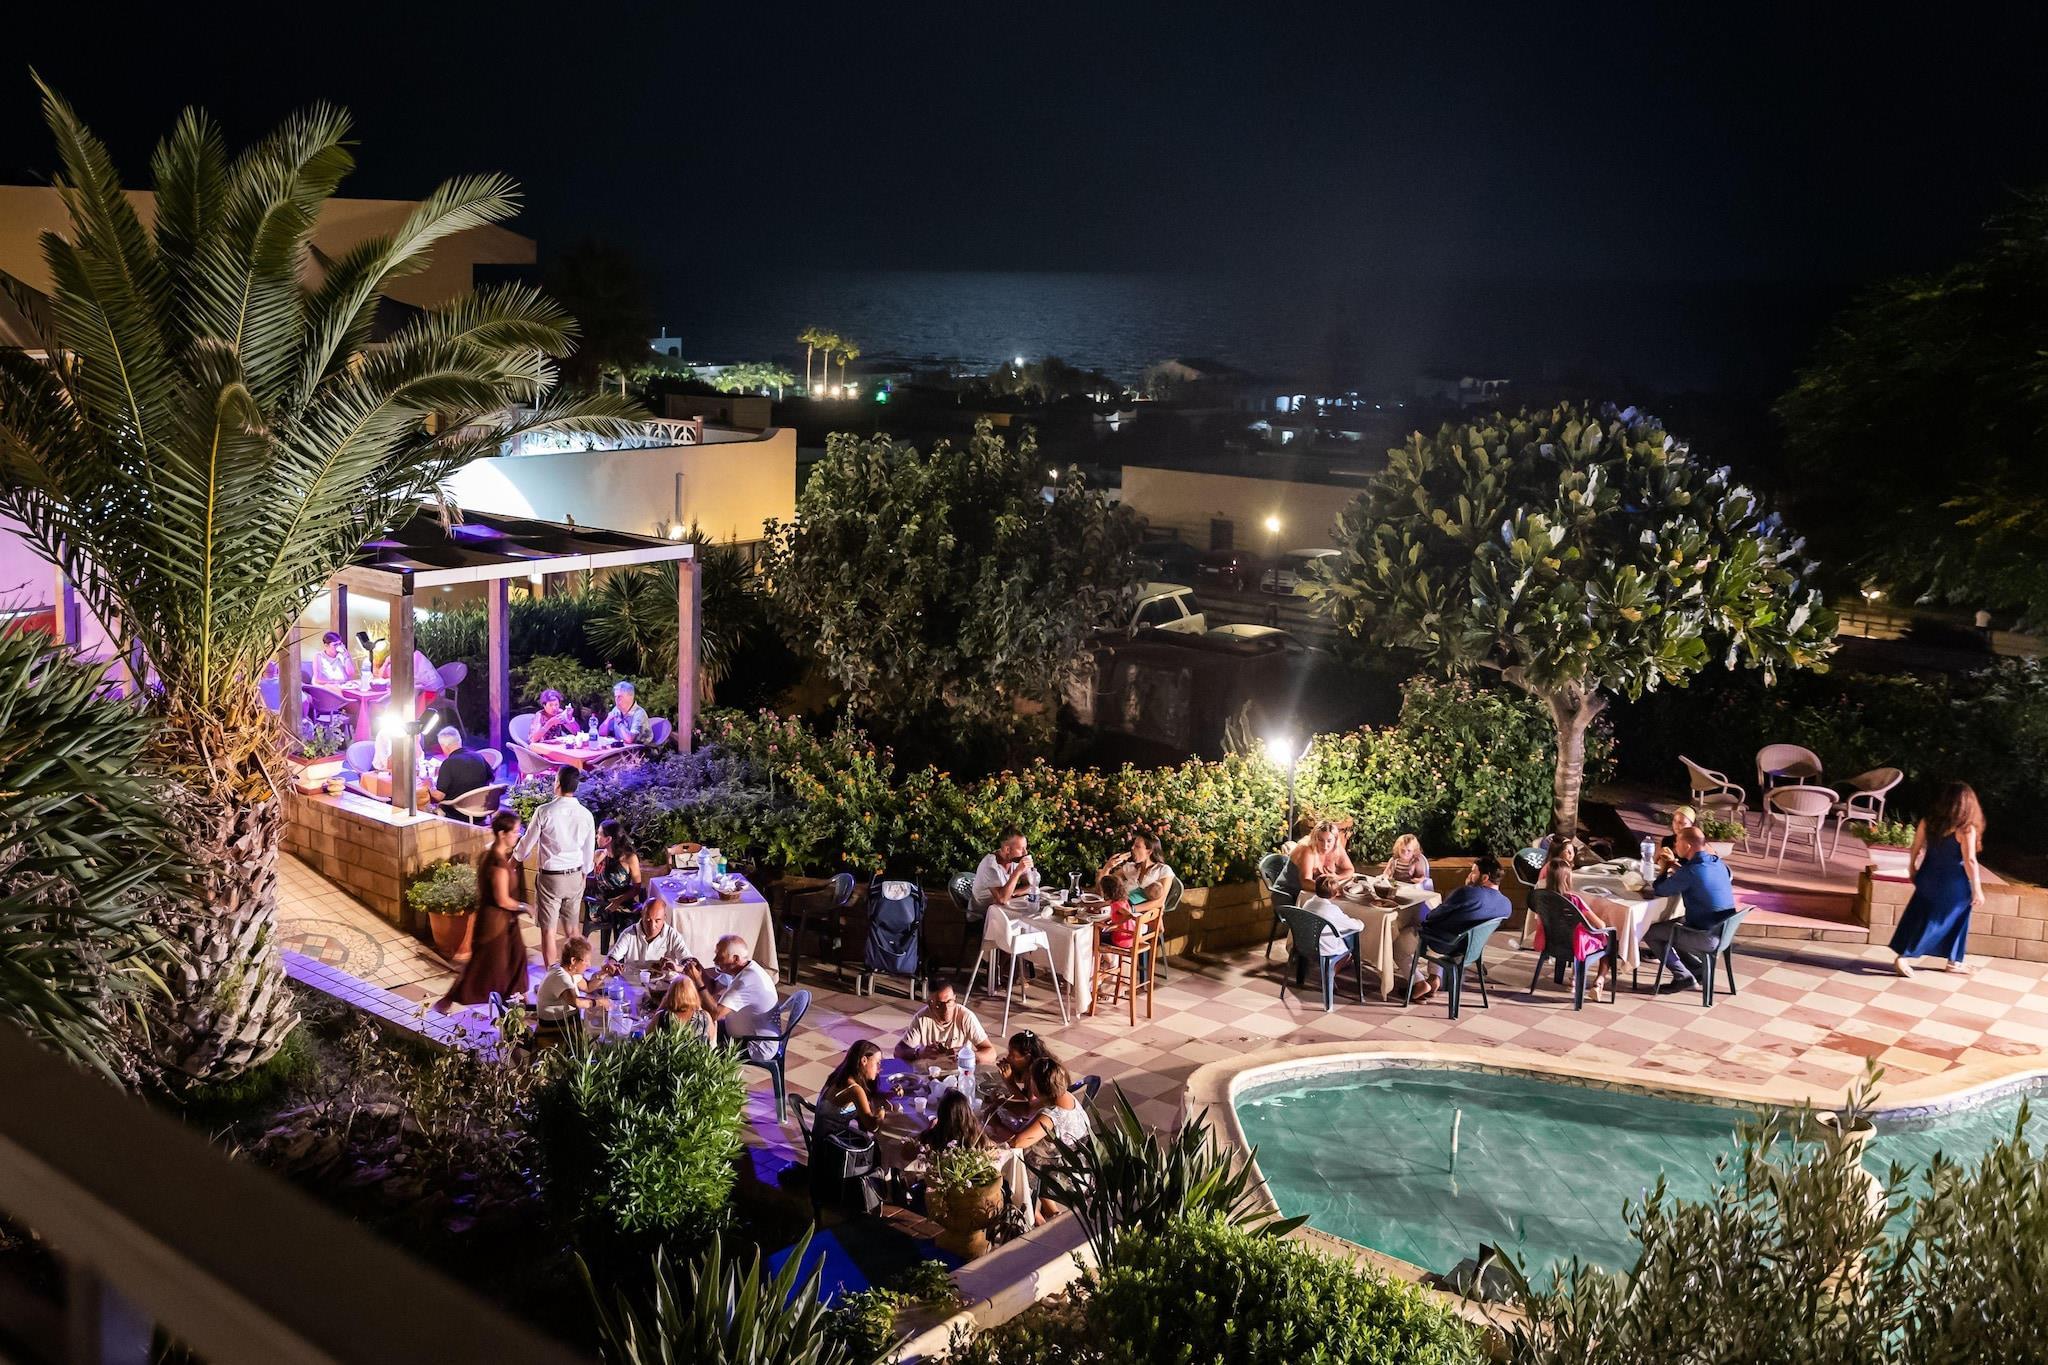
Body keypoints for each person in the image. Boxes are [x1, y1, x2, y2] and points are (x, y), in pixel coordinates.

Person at [1889, 781, 1987, 978]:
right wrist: (1977, 888)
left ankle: (1955, 961)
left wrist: (1912, 868)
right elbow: (1970, 860)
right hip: (1952, 883)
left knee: (1920, 915)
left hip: (1927, 876)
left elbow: (1916, 847)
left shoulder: (1929, 822)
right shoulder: (1965, 829)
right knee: (1939, 920)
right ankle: (1905, 956)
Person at [435, 812, 528, 1013]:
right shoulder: (496, 863)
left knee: (516, 958)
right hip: (495, 924)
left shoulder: (492, 855)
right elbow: (502, 899)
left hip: (504, 922)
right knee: (483, 966)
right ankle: (448, 1001)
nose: (517, 835)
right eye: (514, 831)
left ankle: (518, 1000)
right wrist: (525, 907)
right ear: (502, 834)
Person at [514, 764, 596, 970]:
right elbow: (589, 850)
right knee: (572, 930)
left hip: (551, 878)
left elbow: (526, 843)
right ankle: (577, 974)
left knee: (548, 930)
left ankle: (553, 976)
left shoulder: (545, 811)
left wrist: (513, 861)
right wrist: (584, 874)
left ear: (558, 783)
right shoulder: (586, 814)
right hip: (575, 875)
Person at [1398, 855, 1512, 1004]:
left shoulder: (1467, 893)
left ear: (1484, 878)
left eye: (1473, 872)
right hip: (1468, 950)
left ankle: (1419, 983)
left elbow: (1433, 916)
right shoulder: (1506, 905)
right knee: (1441, 928)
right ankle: (1434, 979)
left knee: (1397, 944)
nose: (1469, 875)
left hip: (1442, 945)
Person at [1643, 827, 1739, 994]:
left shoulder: (1692, 871)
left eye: (1677, 842)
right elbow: (1694, 877)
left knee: (1651, 932)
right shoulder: (1717, 862)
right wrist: (1674, 865)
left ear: (1687, 846)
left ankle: (1683, 977)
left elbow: (1660, 889)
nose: (1675, 846)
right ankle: (1697, 969)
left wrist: (1664, 869)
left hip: (1706, 936)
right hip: (1724, 932)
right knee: (1673, 926)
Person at [1007, 1056, 1091, 1218]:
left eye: (1031, 1080)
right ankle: (1049, 1210)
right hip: (1081, 1166)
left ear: (1039, 1085)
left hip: (1067, 1179)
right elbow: (1030, 1108)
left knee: (1021, 1158)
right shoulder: (1066, 1097)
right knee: (1038, 1152)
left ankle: (1034, 1215)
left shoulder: (1051, 1116)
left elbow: (1018, 1142)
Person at [690, 935, 782, 1061]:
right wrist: (700, 970)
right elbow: (712, 987)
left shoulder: (746, 981)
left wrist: (698, 981)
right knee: (698, 1027)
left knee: (698, 1043)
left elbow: (715, 1014)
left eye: (720, 957)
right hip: (741, 1035)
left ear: (735, 959)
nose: (715, 960)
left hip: (756, 1045)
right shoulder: (739, 968)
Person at [1538, 852, 1617, 996]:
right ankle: (1599, 981)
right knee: (1608, 941)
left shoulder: (1543, 898)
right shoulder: (1574, 900)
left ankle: (1574, 979)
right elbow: (1600, 925)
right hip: (1576, 944)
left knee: (1576, 932)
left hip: (1553, 941)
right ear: (1567, 878)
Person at [896, 978, 998, 1065]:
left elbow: (991, 1054)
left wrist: (968, 1056)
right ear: (930, 1004)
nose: (946, 1009)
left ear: (955, 999)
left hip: (960, 1072)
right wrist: (918, 1053)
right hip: (930, 1071)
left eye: (949, 1002)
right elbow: (898, 1052)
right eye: (939, 1004)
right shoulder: (921, 1019)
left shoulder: (965, 1017)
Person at [817, 1039, 885, 1139]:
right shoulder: (854, 1090)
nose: (880, 1069)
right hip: (831, 1144)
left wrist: (890, 1094)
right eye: (877, 1063)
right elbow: (872, 1127)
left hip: (820, 1137)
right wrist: (881, 1112)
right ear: (864, 1060)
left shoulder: (839, 1075)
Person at [604, 899, 689, 978]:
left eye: (657, 920)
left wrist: (677, 968)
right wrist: (611, 965)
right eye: (648, 920)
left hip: (665, 984)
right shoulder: (629, 934)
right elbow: (612, 957)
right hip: (635, 982)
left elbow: (688, 962)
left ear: (665, 917)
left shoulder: (673, 935)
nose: (652, 926)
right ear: (642, 915)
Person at [536, 935, 604, 1025]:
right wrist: (598, 1003)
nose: (589, 965)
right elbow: (576, 1002)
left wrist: (604, 973)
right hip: (554, 1024)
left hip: (567, 1018)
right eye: (586, 961)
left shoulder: (571, 971)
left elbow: (588, 987)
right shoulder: (560, 976)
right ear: (573, 960)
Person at [1296, 872, 1366, 959]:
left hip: (1306, 944)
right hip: (1324, 949)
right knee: (1350, 940)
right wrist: (1360, 923)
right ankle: (1344, 963)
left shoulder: (1308, 903)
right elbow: (1357, 926)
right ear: (1336, 893)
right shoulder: (1332, 910)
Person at [972, 826, 1040, 911]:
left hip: (1004, 908)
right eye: (1021, 849)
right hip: (982, 914)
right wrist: (1017, 871)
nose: (1025, 852)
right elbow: (1002, 900)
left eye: (1025, 848)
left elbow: (1031, 886)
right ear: (1007, 849)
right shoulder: (990, 866)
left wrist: (1012, 893)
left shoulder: (1016, 860)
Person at [1096, 831, 1172, 904]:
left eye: (1137, 846)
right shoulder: (1129, 867)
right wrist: (1107, 867)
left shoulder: (1163, 870)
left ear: (1149, 852)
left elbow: (1160, 902)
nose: (1132, 848)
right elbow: (1105, 889)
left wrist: (1131, 909)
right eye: (1133, 845)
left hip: (1139, 912)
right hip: (1119, 908)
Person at [428, 726, 494, 806]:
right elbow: (491, 778)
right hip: (482, 807)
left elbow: (438, 797)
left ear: (443, 746)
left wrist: (429, 785)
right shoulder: (478, 756)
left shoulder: (448, 763)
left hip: (457, 810)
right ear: (460, 741)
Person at [1287, 820, 1356, 896]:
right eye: (1320, 840)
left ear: (1335, 839)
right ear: (1314, 839)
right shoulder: (1307, 849)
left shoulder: (1336, 847)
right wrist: (1331, 889)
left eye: (1329, 841)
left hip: (1315, 892)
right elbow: (1305, 882)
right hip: (1290, 892)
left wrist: (1337, 877)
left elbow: (1350, 870)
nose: (1325, 846)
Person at [920, 1089, 995, 1153]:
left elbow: (919, 1142)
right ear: (968, 1114)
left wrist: (931, 1128)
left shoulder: (931, 1139)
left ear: (940, 1114)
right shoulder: (978, 1139)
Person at [596, 680, 653, 745]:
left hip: (639, 749)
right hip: (622, 747)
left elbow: (629, 739)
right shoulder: (616, 709)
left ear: (630, 697)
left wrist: (620, 723)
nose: (616, 700)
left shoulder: (639, 713)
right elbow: (601, 734)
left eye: (620, 697)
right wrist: (608, 720)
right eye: (615, 697)